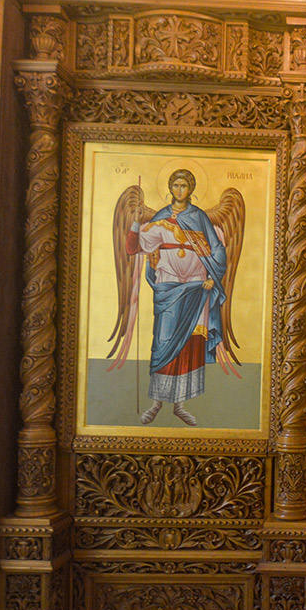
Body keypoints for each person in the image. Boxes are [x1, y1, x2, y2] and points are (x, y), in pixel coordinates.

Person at [110, 169, 244, 426]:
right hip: (169, 288)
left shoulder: (199, 217)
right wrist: (136, 223)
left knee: (190, 343)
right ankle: (157, 403)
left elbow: (216, 248)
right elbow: (133, 248)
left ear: (191, 189)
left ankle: (180, 405)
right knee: (164, 342)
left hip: (197, 288)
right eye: (176, 185)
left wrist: (212, 276)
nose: (180, 190)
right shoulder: (160, 219)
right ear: (170, 188)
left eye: (185, 185)